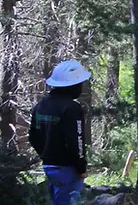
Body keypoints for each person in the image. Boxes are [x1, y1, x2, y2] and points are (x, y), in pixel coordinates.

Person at [30, 60, 92, 205]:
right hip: (68, 168)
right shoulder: (72, 108)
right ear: (73, 86)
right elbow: (76, 140)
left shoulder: (41, 105)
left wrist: (46, 155)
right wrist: (81, 167)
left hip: (49, 166)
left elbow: (33, 136)